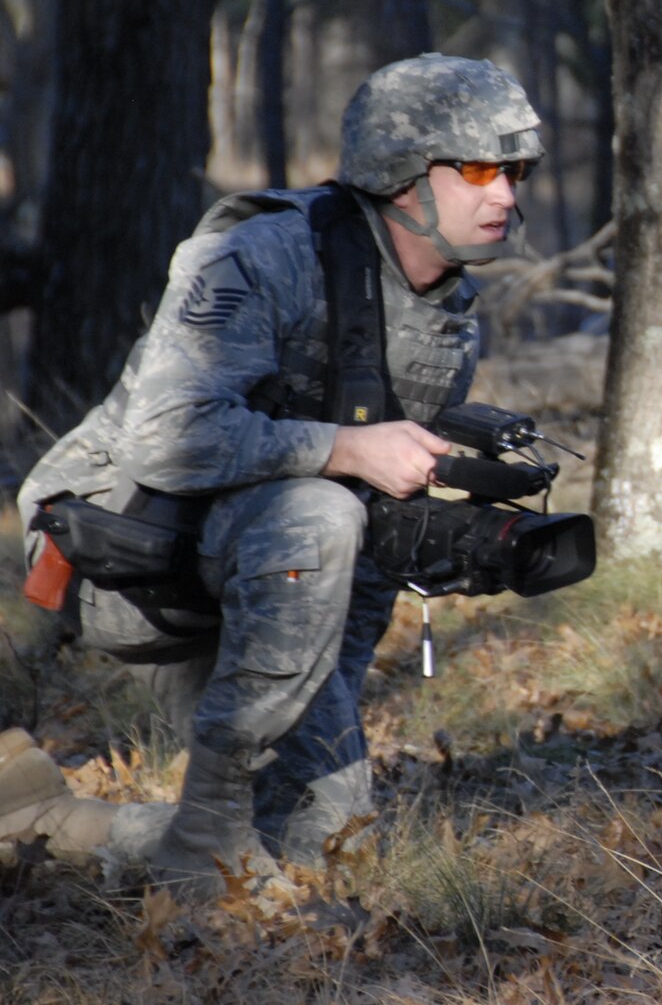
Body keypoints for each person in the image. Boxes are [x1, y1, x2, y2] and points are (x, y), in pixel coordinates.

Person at [0, 54, 543, 895]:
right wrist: (347, 448)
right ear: (402, 180)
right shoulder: (261, 253)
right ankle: (206, 836)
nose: (505, 193)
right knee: (320, 510)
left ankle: (50, 821)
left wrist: (327, 700)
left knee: (331, 842)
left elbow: (368, 547)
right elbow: (168, 438)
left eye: (515, 170)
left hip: (271, 573)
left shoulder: (447, 322)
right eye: (477, 168)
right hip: (123, 549)